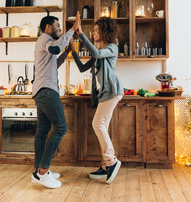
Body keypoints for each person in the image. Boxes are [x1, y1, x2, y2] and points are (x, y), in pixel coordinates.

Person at [71, 17, 124, 184]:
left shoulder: (112, 48)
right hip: (105, 93)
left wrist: (81, 36)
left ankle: (111, 162)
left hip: (113, 91)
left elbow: (96, 53)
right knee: (102, 126)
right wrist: (73, 51)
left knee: (97, 124)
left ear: (104, 32)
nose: (93, 33)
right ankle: (105, 165)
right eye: (92, 30)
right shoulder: (99, 51)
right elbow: (82, 68)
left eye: (95, 30)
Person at [31, 12, 80, 189]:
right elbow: (55, 49)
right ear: (48, 27)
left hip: (41, 90)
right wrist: (72, 30)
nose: (60, 29)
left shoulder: (46, 43)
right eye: (58, 26)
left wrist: (66, 52)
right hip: (46, 90)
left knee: (43, 130)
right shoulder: (45, 39)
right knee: (61, 127)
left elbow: (54, 62)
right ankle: (43, 172)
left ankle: (38, 171)